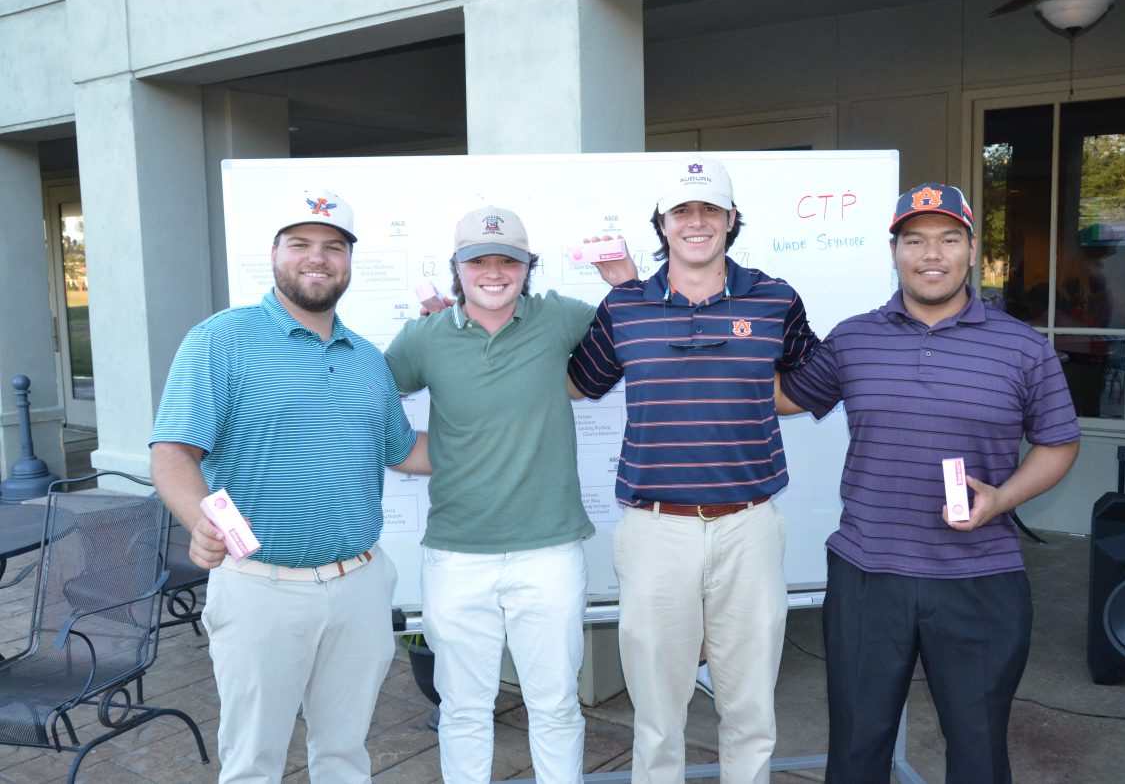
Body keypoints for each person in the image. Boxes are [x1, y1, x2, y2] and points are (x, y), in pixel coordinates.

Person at [776, 182, 1081, 784]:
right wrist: (720, 334)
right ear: (894, 252)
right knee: (856, 748)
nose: (931, 255)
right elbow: (785, 398)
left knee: (978, 749)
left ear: (972, 249)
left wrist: (1002, 499)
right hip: (868, 574)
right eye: (914, 241)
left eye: (948, 239)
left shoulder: (1023, 347)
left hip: (980, 578)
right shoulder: (854, 338)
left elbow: (1059, 443)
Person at [150, 188, 431, 784]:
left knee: (345, 755)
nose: (317, 257)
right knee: (254, 761)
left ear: (349, 262)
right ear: (275, 254)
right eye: (300, 243)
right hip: (262, 586)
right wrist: (200, 522)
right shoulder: (222, 339)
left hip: (360, 583)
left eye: (334, 246)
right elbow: (174, 452)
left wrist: (505, 433)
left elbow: (405, 451)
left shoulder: (366, 358)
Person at [567, 156, 820, 783]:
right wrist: (470, 327)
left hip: (749, 526)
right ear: (662, 223)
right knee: (657, 718)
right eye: (683, 211)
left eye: (711, 209)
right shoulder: (624, 306)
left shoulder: (775, 298)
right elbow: (578, 383)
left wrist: (752, 394)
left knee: (750, 710)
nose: (697, 222)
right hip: (655, 529)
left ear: (732, 219)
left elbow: (814, 378)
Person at [384, 206, 634, 784]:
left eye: (508, 261)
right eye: (479, 261)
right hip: (456, 554)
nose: (494, 273)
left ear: (527, 267)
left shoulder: (558, 317)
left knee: (555, 705)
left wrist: (625, 281)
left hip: (548, 553)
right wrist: (424, 452)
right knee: (463, 709)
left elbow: (641, 332)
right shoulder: (425, 336)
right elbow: (365, 397)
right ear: (457, 268)